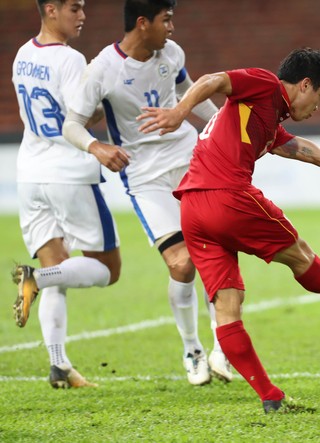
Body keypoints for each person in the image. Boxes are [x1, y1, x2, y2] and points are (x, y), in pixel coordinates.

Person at [135, 48, 320, 412]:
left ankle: (271, 398)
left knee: (227, 305)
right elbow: (212, 80)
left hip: (192, 209)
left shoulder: (269, 123)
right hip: (228, 198)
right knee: (299, 254)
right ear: (305, 84)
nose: (317, 107)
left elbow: (319, 154)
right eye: (319, 96)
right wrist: (178, 112)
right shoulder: (264, 84)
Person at [62, 0, 232, 386]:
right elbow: (72, 125)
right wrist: (97, 148)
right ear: (143, 23)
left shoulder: (171, 54)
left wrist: (226, 123)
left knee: (216, 253)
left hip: (191, 161)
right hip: (145, 177)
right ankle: (192, 348)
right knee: (181, 265)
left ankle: (225, 344)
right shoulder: (103, 68)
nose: (172, 27)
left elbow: (191, 97)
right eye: (166, 19)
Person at [11, 0, 122, 388]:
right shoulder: (71, 60)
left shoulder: (22, 55)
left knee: (60, 268)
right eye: (74, 8)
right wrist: (106, 96)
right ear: (51, 9)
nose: (83, 15)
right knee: (108, 269)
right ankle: (35, 279)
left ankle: (59, 365)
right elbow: (80, 117)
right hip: (69, 174)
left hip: (30, 175)